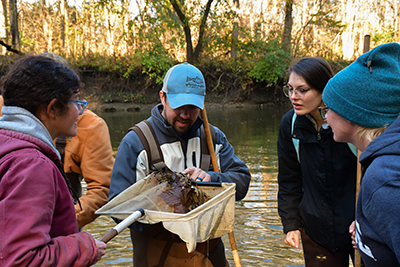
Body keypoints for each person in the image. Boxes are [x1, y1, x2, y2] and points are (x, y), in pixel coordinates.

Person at [109, 62, 251, 267]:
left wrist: (212, 178)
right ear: (163, 98)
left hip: (210, 257)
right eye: (179, 106)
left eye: (192, 107)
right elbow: (117, 208)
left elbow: (242, 180)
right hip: (156, 258)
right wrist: (162, 205)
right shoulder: (136, 142)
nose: (185, 114)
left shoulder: (213, 138)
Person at [0, 55, 106, 265]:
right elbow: (22, 260)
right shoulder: (32, 165)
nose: (80, 110)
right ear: (52, 109)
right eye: (76, 101)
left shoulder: (8, 141)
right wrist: (84, 246)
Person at [321, 42, 400, 266]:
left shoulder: (386, 180)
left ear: (352, 114)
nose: (325, 118)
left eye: (328, 109)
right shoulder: (382, 163)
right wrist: (371, 231)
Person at [277, 57, 357, 266]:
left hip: (358, 229)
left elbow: (373, 172)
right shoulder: (290, 125)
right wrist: (291, 224)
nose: (294, 97)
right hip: (316, 232)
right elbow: (289, 179)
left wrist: (367, 222)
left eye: (302, 90)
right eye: (290, 89)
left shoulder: (350, 119)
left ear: (324, 89)